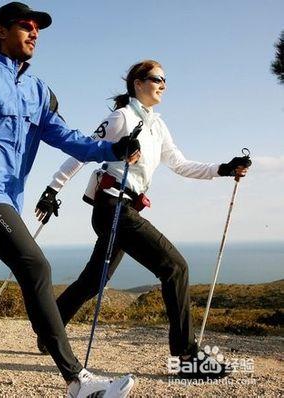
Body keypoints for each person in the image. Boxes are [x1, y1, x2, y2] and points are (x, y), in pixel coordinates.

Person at [0, 3, 136, 397]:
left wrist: (114, 149)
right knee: (36, 266)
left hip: (9, 198)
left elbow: (66, 137)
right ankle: (76, 380)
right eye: (26, 26)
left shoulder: (39, 91)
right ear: (0, 31)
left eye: (38, 29)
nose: (34, 33)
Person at [35, 59, 251, 380]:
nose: (163, 84)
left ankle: (48, 332)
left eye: (165, 80)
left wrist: (223, 168)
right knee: (175, 267)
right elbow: (83, 151)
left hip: (127, 209)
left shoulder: (158, 125)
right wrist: (53, 189)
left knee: (94, 280)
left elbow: (180, 164)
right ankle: (186, 357)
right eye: (156, 79)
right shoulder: (121, 117)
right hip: (112, 207)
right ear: (138, 83)